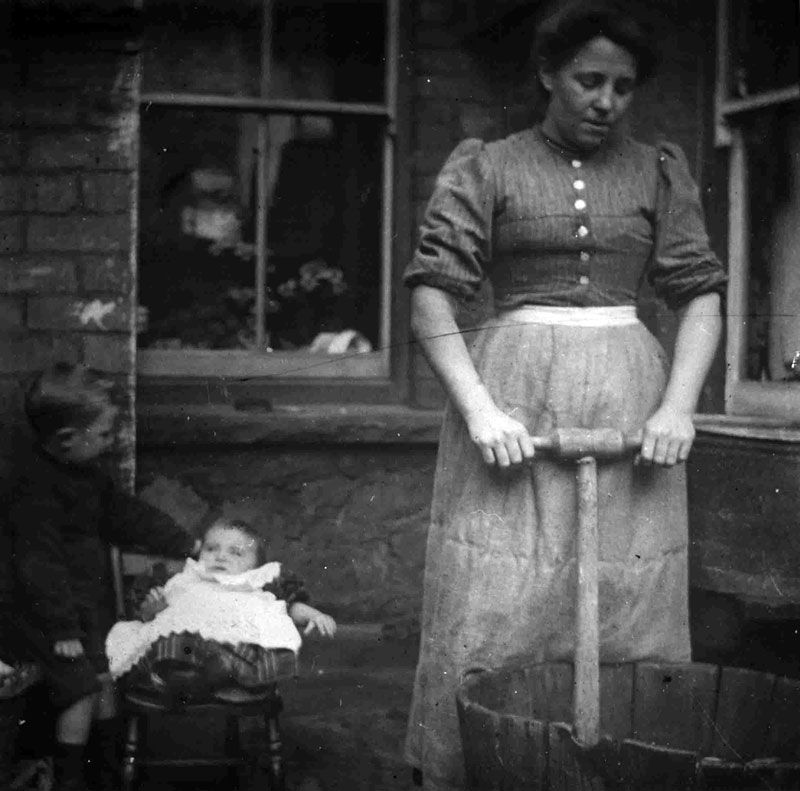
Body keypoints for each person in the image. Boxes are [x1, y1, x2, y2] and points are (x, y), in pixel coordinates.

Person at [402, 2, 728, 789]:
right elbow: (431, 298)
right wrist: (480, 407)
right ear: (548, 74)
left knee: (628, 602)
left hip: (630, 404)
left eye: (622, 86)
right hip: (515, 400)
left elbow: (701, 297)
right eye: (588, 80)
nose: (605, 101)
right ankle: (485, 766)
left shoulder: (658, 171)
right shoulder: (488, 164)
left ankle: (612, 769)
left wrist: (678, 405)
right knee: (498, 600)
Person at [3, 362, 199, 791]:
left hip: (86, 609)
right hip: (49, 615)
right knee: (80, 688)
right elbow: (38, 566)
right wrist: (61, 629)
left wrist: (185, 543)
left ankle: (104, 773)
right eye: (106, 433)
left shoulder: (89, 476)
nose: (113, 442)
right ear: (68, 440)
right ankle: (70, 777)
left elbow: (127, 516)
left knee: (107, 678)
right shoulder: (33, 490)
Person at [106, 516, 337, 702]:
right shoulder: (186, 578)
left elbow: (288, 606)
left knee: (248, 648)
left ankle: (223, 677)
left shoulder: (258, 580)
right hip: (189, 650)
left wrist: (314, 615)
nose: (220, 556)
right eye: (211, 549)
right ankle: (184, 678)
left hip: (235, 649)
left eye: (235, 552)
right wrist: (153, 609)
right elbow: (153, 619)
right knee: (173, 641)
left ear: (256, 564)